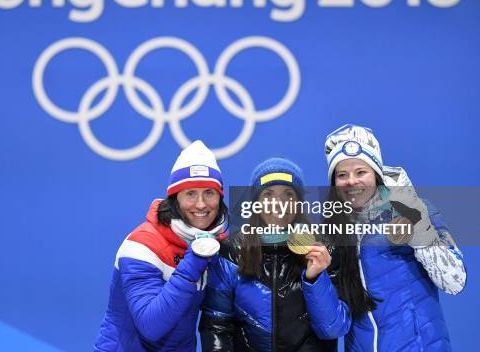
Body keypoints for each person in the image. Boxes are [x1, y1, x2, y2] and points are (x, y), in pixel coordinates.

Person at [303, 124, 467, 351]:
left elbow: (454, 281)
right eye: (342, 175)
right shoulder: (332, 232)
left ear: (377, 175)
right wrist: (314, 279)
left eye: (361, 172)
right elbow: (334, 327)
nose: (352, 181)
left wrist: (418, 229)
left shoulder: (416, 210)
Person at [200, 158, 371, 351]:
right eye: (268, 194)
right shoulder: (232, 252)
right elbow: (216, 325)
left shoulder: (325, 249)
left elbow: (333, 329)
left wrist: (315, 279)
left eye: (288, 195)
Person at [94, 140, 228, 351]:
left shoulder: (216, 244)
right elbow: (151, 326)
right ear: (175, 199)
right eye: (190, 193)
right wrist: (194, 259)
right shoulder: (141, 246)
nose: (201, 204)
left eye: (209, 193)